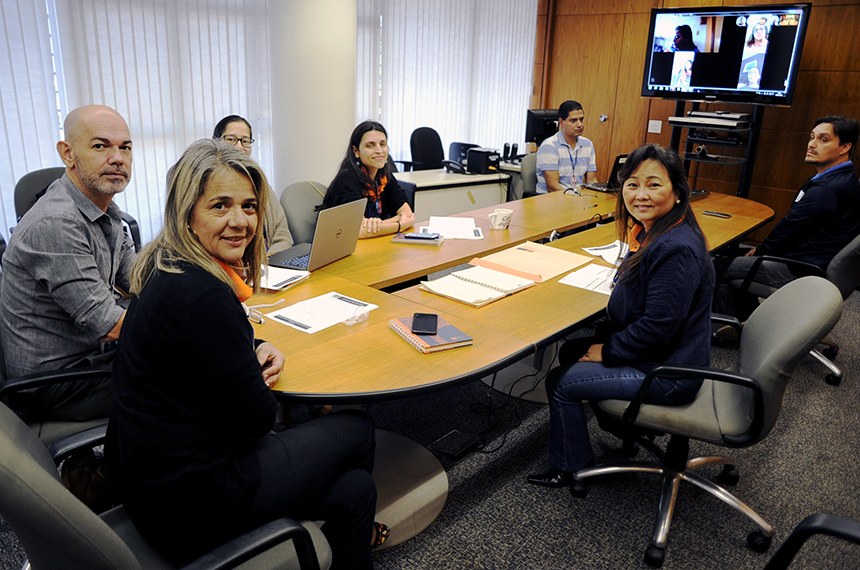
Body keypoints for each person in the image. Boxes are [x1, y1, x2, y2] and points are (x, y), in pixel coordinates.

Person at [104, 138, 384, 567]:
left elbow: (194, 347)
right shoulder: (204, 295)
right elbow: (256, 421)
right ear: (188, 213)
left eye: (249, 206)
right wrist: (247, 370)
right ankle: (298, 536)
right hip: (193, 503)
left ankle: (342, 536)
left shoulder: (167, 268)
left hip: (149, 486)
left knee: (355, 490)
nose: (240, 222)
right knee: (358, 428)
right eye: (220, 206)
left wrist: (253, 345)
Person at [527, 143, 715, 487]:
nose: (640, 194)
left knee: (560, 382)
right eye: (632, 184)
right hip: (666, 353)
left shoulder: (676, 249)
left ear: (677, 193)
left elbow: (658, 328)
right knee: (571, 351)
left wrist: (608, 351)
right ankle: (628, 428)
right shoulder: (656, 232)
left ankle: (571, 469)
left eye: (654, 185)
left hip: (670, 372)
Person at [0, 104, 135, 421]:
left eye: (125, 148)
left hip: (90, 360)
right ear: (68, 153)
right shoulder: (56, 222)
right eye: (100, 146)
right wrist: (190, 330)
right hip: (54, 384)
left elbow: (137, 278)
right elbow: (110, 325)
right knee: (185, 378)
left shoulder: (106, 211)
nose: (117, 158)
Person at [714, 115, 860, 319]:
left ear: (844, 147)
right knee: (736, 258)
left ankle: (730, 325)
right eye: (812, 137)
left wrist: (759, 251)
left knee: (715, 266)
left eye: (823, 139)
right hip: (813, 263)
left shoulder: (827, 189)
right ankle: (751, 318)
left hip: (800, 271)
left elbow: (787, 229)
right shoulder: (844, 179)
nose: (812, 144)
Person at [213, 115, 295, 254]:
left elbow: (282, 235)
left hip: (269, 264)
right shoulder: (208, 184)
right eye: (231, 139)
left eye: (245, 141)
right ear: (215, 141)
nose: (239, 147)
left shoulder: (259, 181)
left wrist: (268, 265)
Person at [322, 120, 416, 238]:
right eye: (370, 145)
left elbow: (408, 215)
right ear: (356, 151)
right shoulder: (347, 180)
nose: (379, 150)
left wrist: (380, 226)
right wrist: (399, 224)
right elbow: (358, 231)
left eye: (382, 144)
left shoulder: (384, 176)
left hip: (374, 243)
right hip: (338, 245)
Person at [535, 100, 598, 194]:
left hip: (577, 198)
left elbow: (591, 180)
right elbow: (552, 187)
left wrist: (596, 194)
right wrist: (576, 197)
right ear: (561, 122)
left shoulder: (588, 144)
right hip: (551, 200)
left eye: (581, 120)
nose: (580, 125)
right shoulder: (549, 146)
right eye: (573, 121)